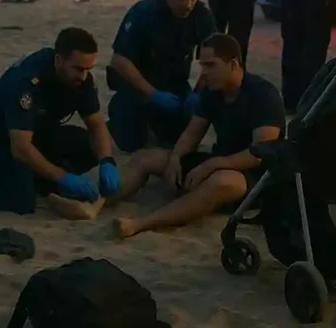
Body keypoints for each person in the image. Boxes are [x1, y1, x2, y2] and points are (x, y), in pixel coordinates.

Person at [112, 33, 285, 238]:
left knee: (221, 182)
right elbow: (193, 132)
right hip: (219, 161)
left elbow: (260, 154)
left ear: (233, 64)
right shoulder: (213, 91)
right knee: (146, 157)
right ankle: (97, 202)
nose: (204, 73)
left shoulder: (263, 95)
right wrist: (176, 158)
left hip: (255, 176)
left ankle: (141, 224)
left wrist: (212, 165)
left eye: (210, 65)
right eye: (202, 65)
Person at [0, 27, 120, 220]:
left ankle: (38, 178)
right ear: (59, 60)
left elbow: (96, 125)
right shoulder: (28, 82)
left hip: (38, 130)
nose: (83, 76)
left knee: (89, 147)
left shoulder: (81, 79)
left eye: (88, 69)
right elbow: (20, 148)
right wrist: (61, 176)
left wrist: (107, 161)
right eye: (78, 69)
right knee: (21, 201)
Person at [106, 0, 217, 153]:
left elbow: (215, 59)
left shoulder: (202, 16)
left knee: (181, 138)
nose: (188, 5)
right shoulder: (144, 13)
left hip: (174, 84)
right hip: (136, 85)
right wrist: (152, 94)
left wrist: (199, 92)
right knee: (130, 141)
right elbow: (119, 60)